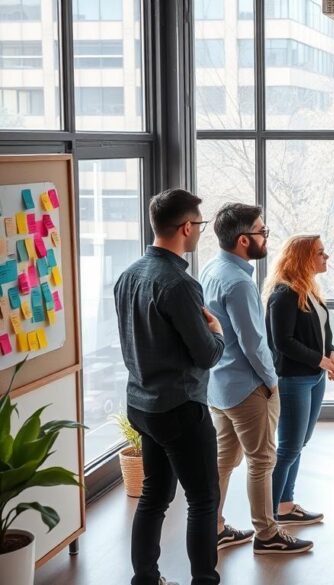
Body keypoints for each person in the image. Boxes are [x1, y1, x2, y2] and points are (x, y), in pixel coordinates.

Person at [114, 188, 225, 585]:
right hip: (179, 407)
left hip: (141, 405)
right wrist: (218, 331)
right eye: (199, 225)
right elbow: (207, 355)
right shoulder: (178, 284)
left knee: (154, 496)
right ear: (184, 227)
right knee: (202, 500)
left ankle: (145, 579)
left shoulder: (128, 276)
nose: (200, 232)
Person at [199, 203, 313, 555]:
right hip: (248, 387)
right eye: (263, 232)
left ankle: (214, 527)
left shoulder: (211, 268)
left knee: (224, 459)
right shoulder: (239, 283)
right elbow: (253, 342)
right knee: (262, 461)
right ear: (244, 240)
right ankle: (267, 534)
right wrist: (271, 380)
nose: (267, 238)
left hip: (219, 384)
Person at [264, 235, 334, 526]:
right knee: (288, 447)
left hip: (314, 377)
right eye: (321, 253)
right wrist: (322, 361)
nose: (326, 258)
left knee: (299, 444)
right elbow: (282, 342)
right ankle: (268, 518)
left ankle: (285, 506)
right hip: (293, 379)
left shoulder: (309, 290)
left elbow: (324, 332)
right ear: (302, 257)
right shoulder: (283, 293)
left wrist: (332, 354)